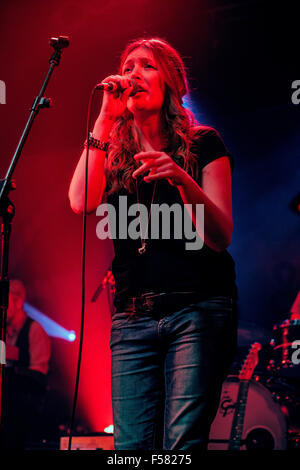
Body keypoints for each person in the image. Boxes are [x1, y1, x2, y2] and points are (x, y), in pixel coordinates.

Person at [69, 37, 238, 450]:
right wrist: (103, 122)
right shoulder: (113, 153)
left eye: (147, 66)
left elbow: (220, 237)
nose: (133, 74)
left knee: (181, 444)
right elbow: (80, 202)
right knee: (130, 449)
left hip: (195, 309)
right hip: (132, 317)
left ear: (171, 82)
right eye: (128, 67)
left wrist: (182, 179)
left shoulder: (204, 143)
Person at [2, 279, 51, 449]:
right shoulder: (3, 330)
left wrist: (13, 370)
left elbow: (38, 376)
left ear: (17, 301)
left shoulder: (35, 330)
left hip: (24, 412)